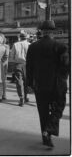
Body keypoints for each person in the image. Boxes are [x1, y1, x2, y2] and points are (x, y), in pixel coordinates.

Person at [26, 20, 69, 148]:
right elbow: (66, 66)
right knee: (59, 108)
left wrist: (29, 83)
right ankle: (49, 128)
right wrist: (63, 80)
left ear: (42, 31)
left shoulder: (33, 46)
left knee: (43, 112)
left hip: (39, 85)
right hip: (56, 85)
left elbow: (29, 67)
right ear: (53, 31)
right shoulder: (61, 46)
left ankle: (46, 138)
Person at [10, 30, 30, 106]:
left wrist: (14, 61)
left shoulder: (15, 44)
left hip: (18, 64)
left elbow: (11, 56)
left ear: (20, 37)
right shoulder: (29, 44)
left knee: (19, 81)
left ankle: (21, 98)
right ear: (26, 37)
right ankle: (25, 97)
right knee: (26, 81)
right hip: (27, 64)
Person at [2, 36, 10, 100]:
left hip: (3, 65)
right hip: (4, 64)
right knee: (4, 80)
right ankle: (3, 94)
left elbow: (6, 55)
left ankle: (3, 94)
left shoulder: (6, 46)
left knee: (2, 80)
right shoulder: (7, 46)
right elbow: (6, 55)